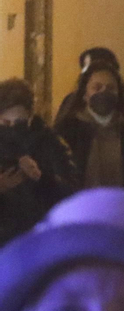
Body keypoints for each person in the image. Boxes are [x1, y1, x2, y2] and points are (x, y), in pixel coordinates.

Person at [0, 79, 77, 245]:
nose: (12, 128)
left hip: (41, 239)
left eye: (20, 123)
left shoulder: (50, 143)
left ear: (30, 116)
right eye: (6, 123)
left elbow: (70, 193)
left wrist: (41, 177)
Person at [54, 61, 124, 191]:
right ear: (85, 94)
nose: (104, 92)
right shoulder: (67, 131)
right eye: (97, 87)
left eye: (110, 88)